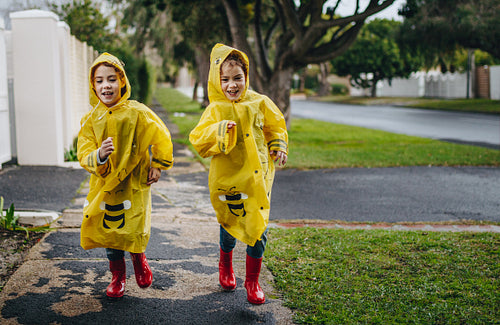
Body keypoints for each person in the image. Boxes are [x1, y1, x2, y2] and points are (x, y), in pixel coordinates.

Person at [189, 43, 288, 304]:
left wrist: (278, 145)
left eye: (237, 78)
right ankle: (226, 265)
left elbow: (275, 126)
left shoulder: (260, 103)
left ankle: (253, 281)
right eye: (225, 80)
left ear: (246, 77)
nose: (232, 85)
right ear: (216, 80)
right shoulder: (215, 110)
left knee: (258, 227)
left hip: (257, 177)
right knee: (230, 223)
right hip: (230, 179)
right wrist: (219, 130)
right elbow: (199, 141)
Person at [77, 52, 173, 298]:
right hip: (106, 184)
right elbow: (84, 150)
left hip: (134, 182)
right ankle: (118, 276)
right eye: (99, 81)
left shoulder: (138, 112)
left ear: (122, 81)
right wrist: (99, 154)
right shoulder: (90, 119)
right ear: (93, 85)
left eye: (111, 79)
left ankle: (139, 259)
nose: (105, 85)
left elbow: (161, 135)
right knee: (111, 229)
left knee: (132, 225)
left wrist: (158, 164)